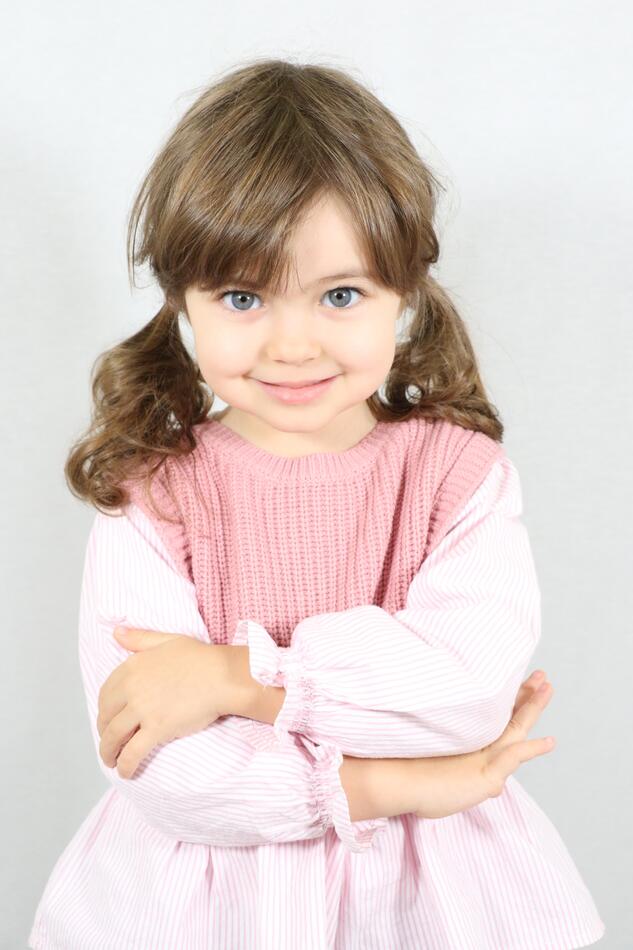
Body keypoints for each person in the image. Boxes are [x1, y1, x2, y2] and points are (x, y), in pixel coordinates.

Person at [28, 58, 605, 949]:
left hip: (428, 903)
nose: (292, 344)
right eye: (242, 297)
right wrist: (392, 783)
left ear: (402, 293)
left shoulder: (455, 476)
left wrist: (235, 678)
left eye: (340, 295)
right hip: (207, 908)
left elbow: (463, 692)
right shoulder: (154, 492)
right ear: (182, 302)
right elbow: (161, 763)